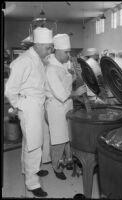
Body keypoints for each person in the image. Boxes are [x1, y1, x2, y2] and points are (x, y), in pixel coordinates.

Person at [5, 27, 53, 197]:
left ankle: (30, 169)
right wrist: (20, 106)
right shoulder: (23, 61)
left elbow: (38, 85)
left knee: (30, 142)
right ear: (38, 45)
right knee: (34, 146)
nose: (50, 51)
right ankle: (32, 183)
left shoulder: (38, 59)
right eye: (48, 48)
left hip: (36, 106)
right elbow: (10, 90)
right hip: (29, 107)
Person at [45, 33, 86, 180]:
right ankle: (56, 167)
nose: (69, 55)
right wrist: (77, 93)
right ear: (57, 50)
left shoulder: (61, 65)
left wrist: (75, 76)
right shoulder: (51, 68)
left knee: (68, 137)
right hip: (56, 108)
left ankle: (68, 161)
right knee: (58, 140)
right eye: (66, 52)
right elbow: (61, 94)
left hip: (66, 106)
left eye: (69, 52)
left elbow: (66, 83)